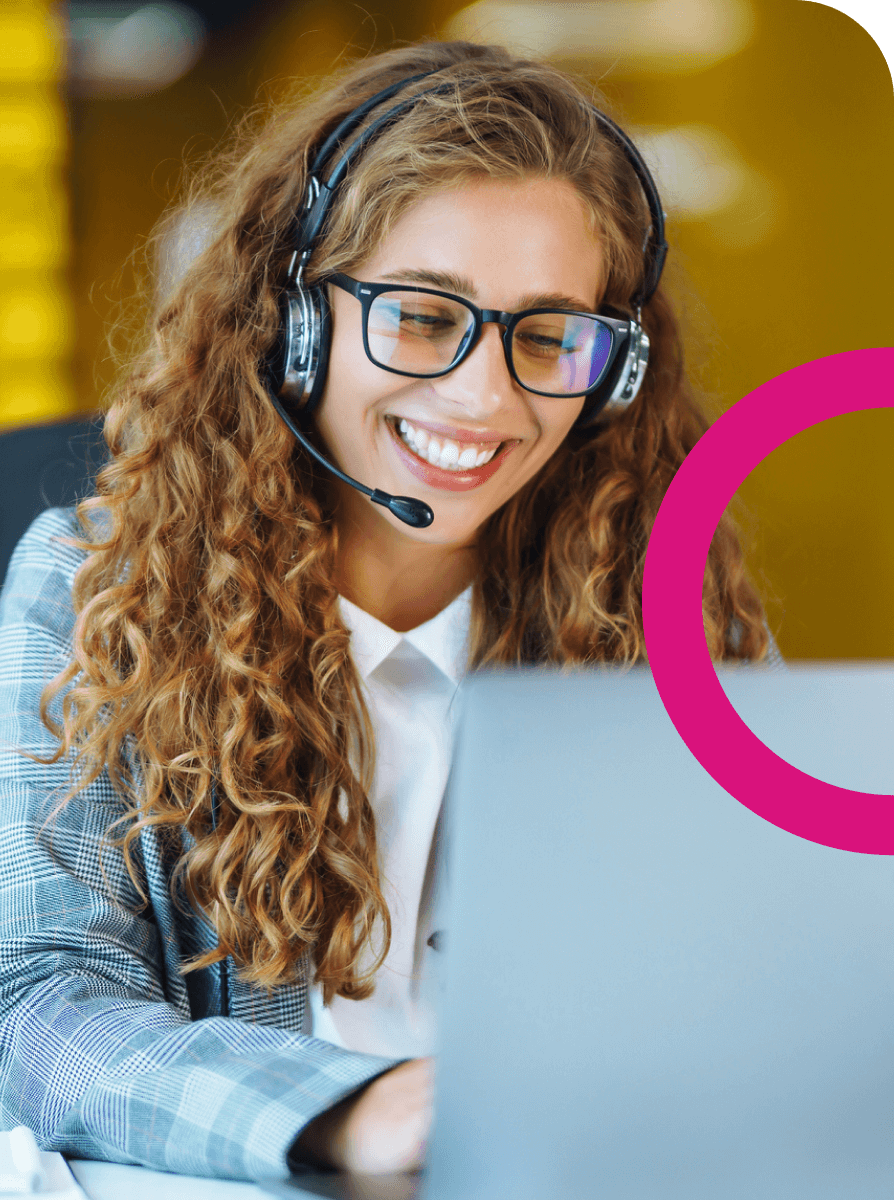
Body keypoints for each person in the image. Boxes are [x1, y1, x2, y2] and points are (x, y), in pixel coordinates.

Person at [0, 39, 778, 1184]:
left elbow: (763, 983)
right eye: (422, 316)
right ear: (295, 320)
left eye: (549, 335)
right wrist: (356, 1113)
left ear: (611, 369)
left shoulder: (666, 607)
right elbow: (39, 1005)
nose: (484, 397)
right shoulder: (90, 586)